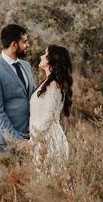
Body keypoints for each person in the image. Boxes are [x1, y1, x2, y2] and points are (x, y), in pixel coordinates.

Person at [0, 24, 35, 160]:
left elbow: (32, 98)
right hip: (5, 144)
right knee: (6, 181)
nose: (27, 45)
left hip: (29, 140)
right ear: (14, 44)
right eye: (24, 42)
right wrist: (18, 141)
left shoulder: (26, 66)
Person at [29, 44, 72, 173]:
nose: (41, 56)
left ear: (52, 60)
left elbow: (48, 118)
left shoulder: (54, 86)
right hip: (42, 141)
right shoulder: (47, 83)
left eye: (45, 54)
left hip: (51, 142)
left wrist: (31, 141)